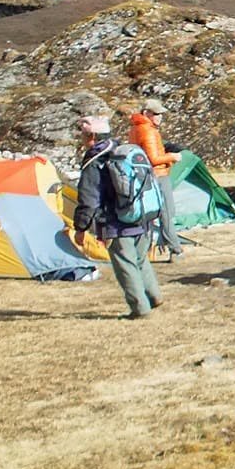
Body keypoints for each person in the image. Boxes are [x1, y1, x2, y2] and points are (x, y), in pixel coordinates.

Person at [72, 115, 163, 319]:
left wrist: (80, 228)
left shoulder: (95, 161)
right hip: (142, 216)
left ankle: (140, 309)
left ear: (92, 136)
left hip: (116, 222)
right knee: (140, 259)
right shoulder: (122, 150)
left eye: (83, 135)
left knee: (125, 265)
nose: (82, 139)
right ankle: (154, 295)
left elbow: (89, 200)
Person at [129, 99, 183, 258]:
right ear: (147, 113)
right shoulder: (149, 131)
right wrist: (172, 156)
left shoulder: (135, 128)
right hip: (158, 176)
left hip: (143, 176)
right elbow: (153, 159)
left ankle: (142, 251)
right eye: (157, 114)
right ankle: (175, 249)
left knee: (147, 214)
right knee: (166, 213)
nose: (160, 117)